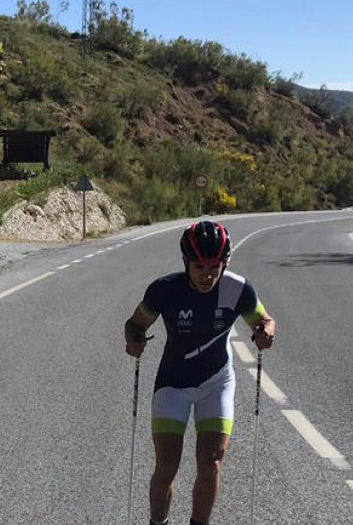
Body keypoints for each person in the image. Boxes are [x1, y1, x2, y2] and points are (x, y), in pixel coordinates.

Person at [123, 220, 276, 525]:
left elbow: (266, 320)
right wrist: (133, 340)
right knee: (166, 466)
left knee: (211, 463)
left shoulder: (238, 290)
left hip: (216, 382)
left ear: (224, 262)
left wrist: (266, 333)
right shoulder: (164, 290)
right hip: (173, 384)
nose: (207, 274)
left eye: (214, 265)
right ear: (185, 262)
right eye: (199, 266)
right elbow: (135, 323)